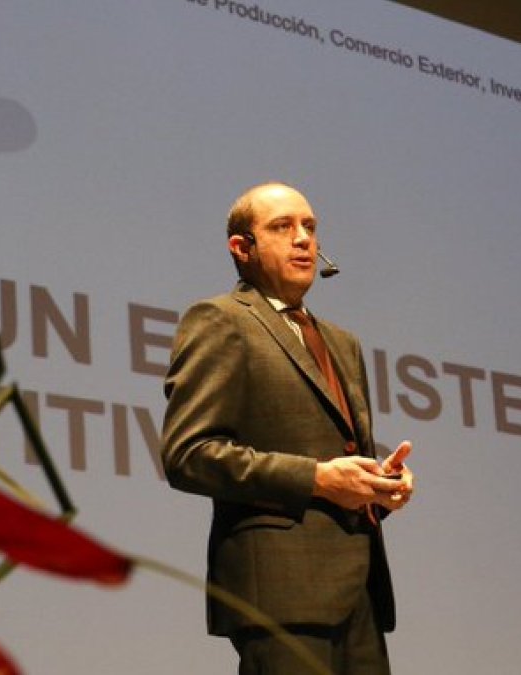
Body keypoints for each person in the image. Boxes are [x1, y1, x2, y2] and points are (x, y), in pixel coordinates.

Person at [160, 182, 416, 674]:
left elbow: (339, 454)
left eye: (310, 227)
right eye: (283, 227)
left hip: (360, 591)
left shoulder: (343, 343)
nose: (303, 239)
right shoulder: (221, 320)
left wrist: (378, 486)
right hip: (279, 592)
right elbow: (188, 454)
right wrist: (318, 478)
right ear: (242, 248)